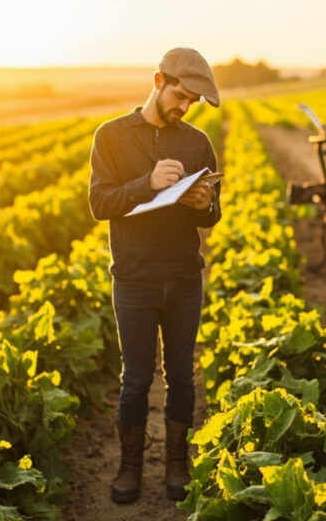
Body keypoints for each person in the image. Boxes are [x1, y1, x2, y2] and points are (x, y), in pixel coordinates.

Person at [88, 47, 222, 504]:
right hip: (134, 278)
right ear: (159, 80)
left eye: (192, 103)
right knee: (137, 378)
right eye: (181, 96)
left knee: (182, 377)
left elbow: (212, 216)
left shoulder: (197, 141)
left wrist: (204, 204)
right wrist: (147, 183)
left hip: (185, 276)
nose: (184, 107)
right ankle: (129, 466)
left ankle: (176, 463)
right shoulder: (111, 136)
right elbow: (100, 204)